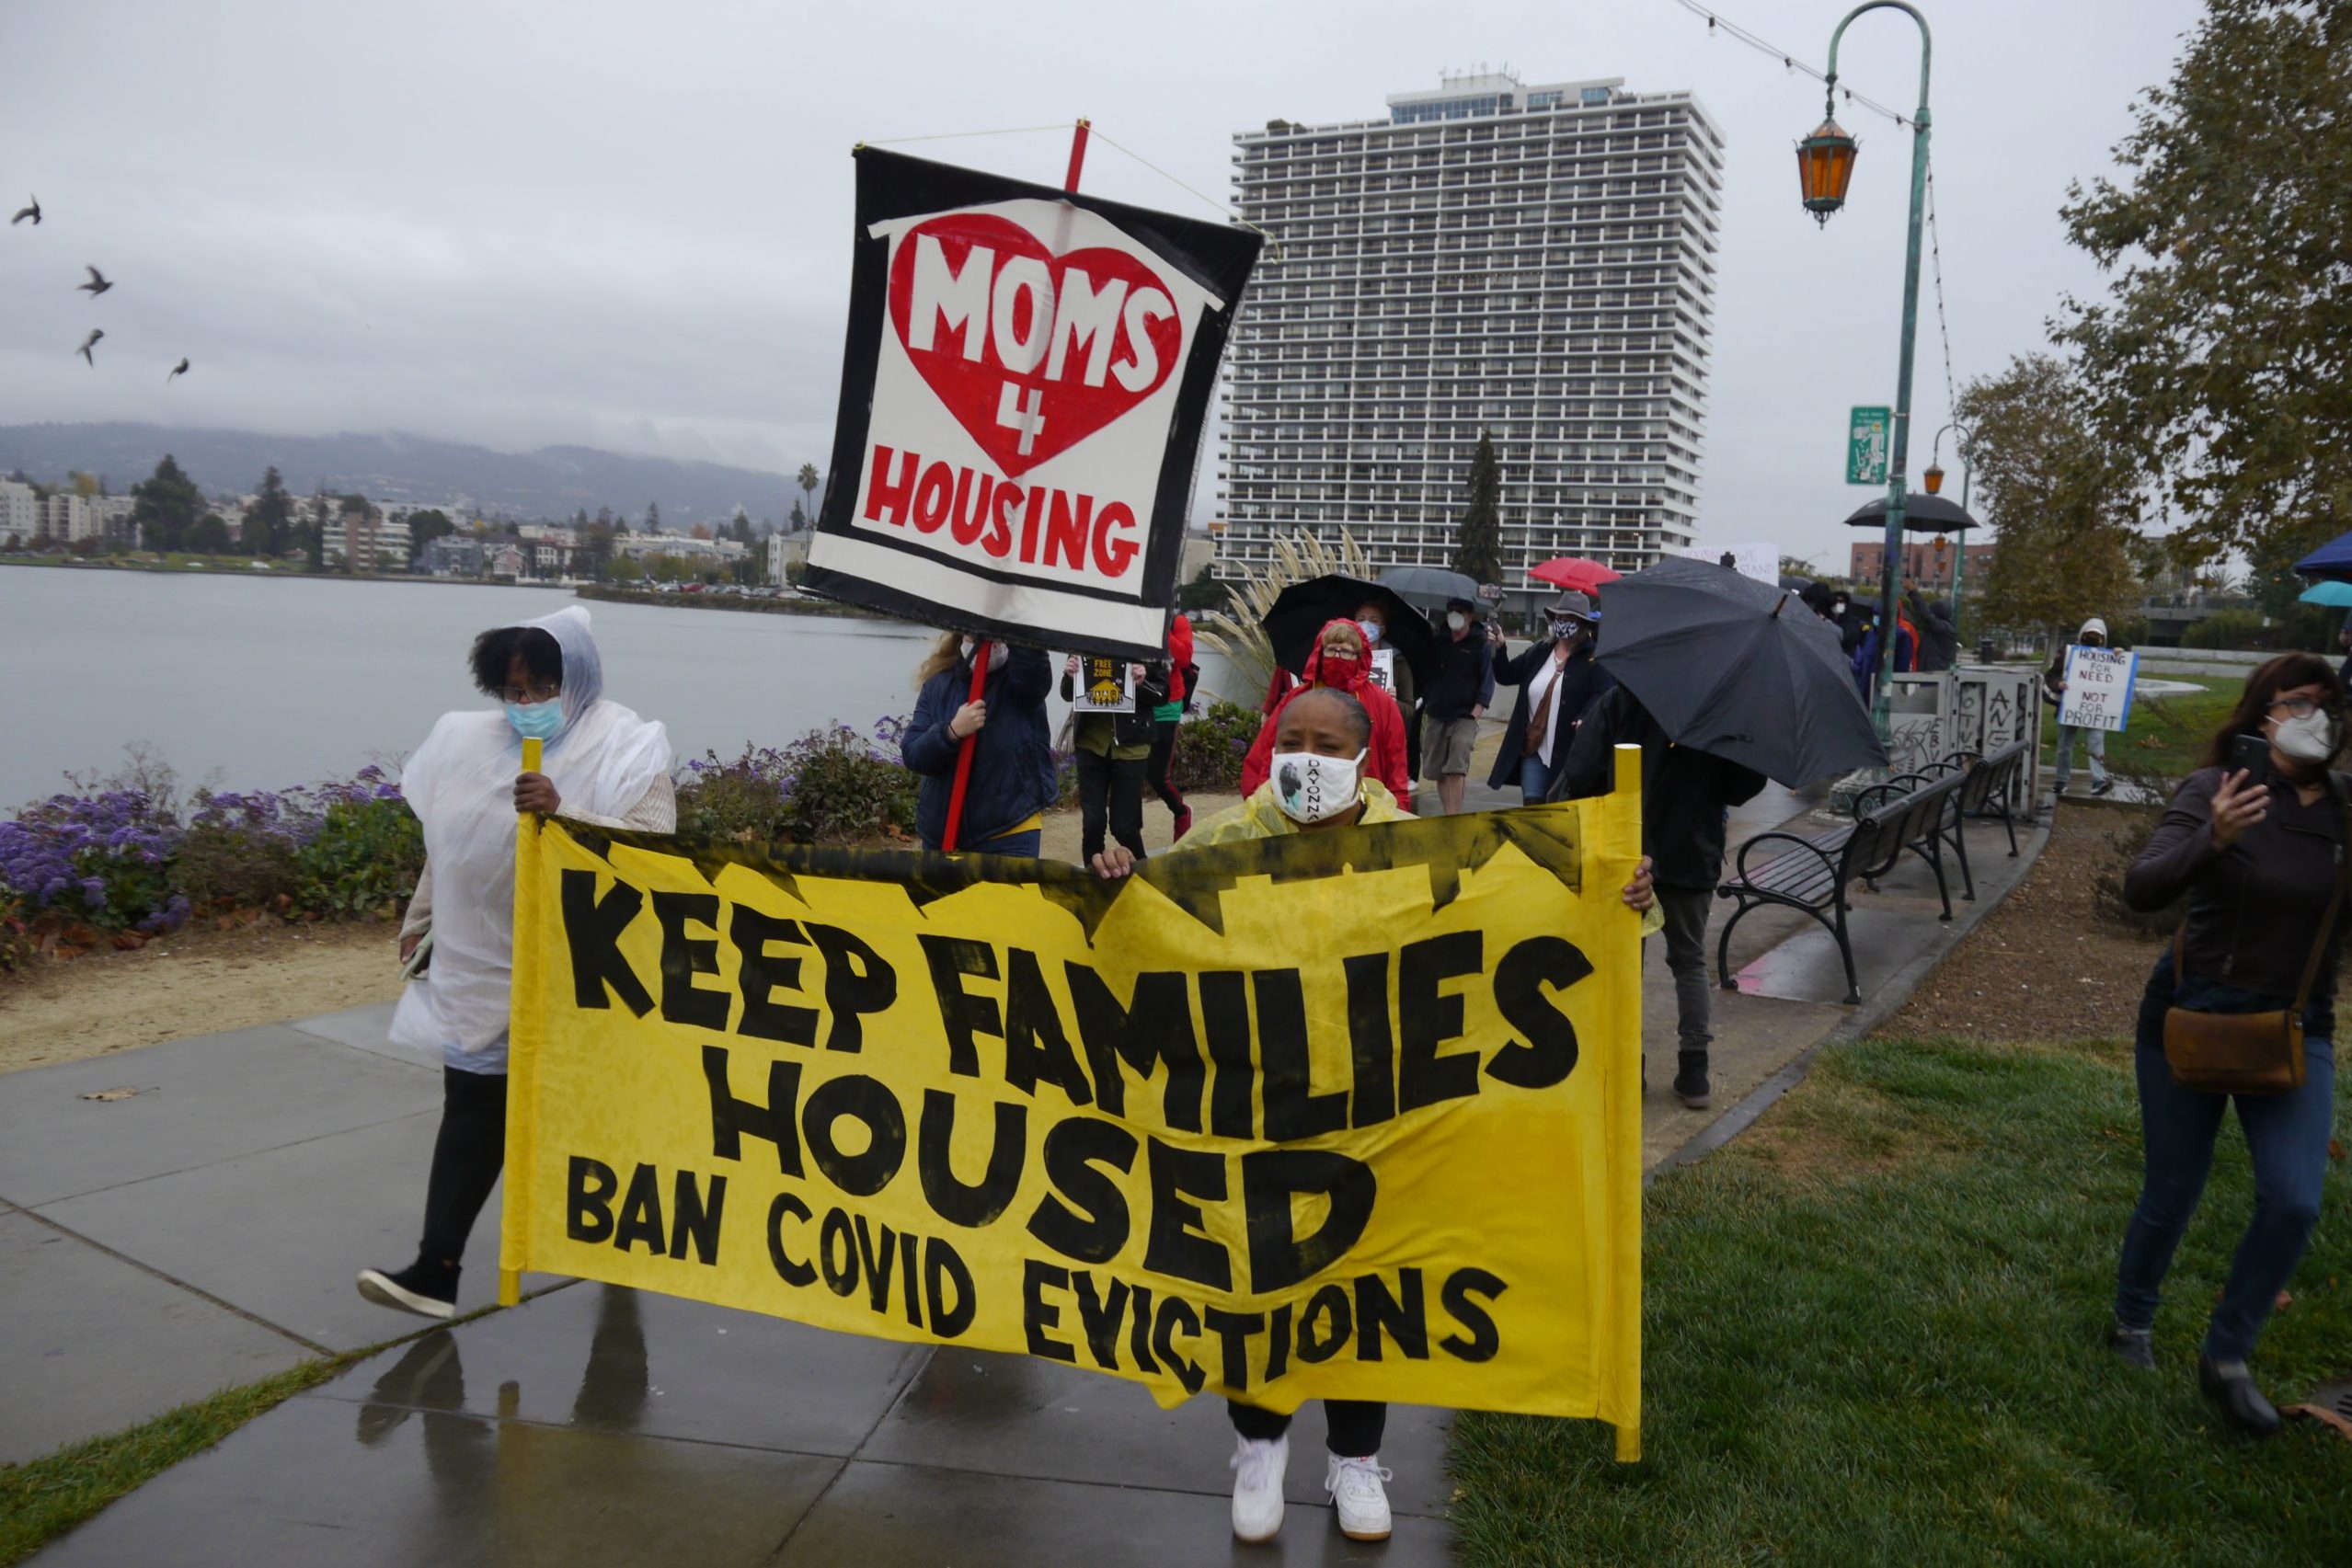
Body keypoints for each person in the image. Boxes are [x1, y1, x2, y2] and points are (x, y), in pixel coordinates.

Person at [1092, 683, 1658, 1543]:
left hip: (1379, 1109)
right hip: (1259, 1108)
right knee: (1259, 1280)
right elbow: (1142, 935)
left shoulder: (1416, 847)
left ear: (1362, 757)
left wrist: (1618, 898)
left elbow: (1528, 920)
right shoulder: (1225, 843)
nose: (1305, 757)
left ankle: (1356, 1460)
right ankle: (1259, 1446)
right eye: (1293, 739)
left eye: (1326, 742)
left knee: (1367, 1282)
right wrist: (1114, 889)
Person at [361, 607, 672, 1320]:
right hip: (481, 968)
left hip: (585, 973)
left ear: (577, 680)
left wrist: (565, 817)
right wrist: (422, 916)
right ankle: (435, 1268)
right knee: (471, 1110)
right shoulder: (467, 743)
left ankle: (617, 1256)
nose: (525, 707)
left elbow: (658, 852)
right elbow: (455, 838)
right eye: (513, 691)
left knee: (597, 1121)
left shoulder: (626, 745)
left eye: (539, 689)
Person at [2111, 654, 2347, 1435]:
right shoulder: (2216, 790)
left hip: (2292, 1029)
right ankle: (2131, 1321)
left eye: (2329, 703)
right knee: (2173, 1188)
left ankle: (2226, 1353)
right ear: (2261, 717)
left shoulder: (2345, 812)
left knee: (2293, 1197)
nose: (2318, 715)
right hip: (2190, 1017)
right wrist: (2211, 839)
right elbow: (2142, 888)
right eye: (2299, 702)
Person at [1555, 682, 1766, 1109]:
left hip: (1628, 850)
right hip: (1694, 851)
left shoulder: (1622, 698)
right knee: (1689, 961)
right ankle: (1695, 1072)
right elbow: (1741, 786)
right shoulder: (1721, 705)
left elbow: (1579, 773)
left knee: (1626, 964)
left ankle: (1630, 1069)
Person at [902, 634, 1056, 855]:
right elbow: (913, 754)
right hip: (942, 835)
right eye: (976, 633)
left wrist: (1012, 625)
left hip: (1008, 832)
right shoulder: (939, 685)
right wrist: (950, 732)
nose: (986, 641)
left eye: (996, 636)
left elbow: (1033, 669)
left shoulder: (1022, 683)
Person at [1241, 618, 1412, 809]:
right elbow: (1268, 749)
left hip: (1363, 807)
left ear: (1360, 657)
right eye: (1331, 650)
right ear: (1319, 654)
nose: (1337, 656)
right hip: (1302, 802)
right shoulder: (1296, 699)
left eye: (1346, 651)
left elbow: (1396, 761)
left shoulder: (1382, 703)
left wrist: (1398, 811)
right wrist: (1262, 801)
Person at [1488, 589, 1615, 803]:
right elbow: (1506, 674)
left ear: (1583, 624)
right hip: (1534, 751)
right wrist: (1500, 648)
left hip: (1570, 753)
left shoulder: (1594, 659)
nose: (1563, 623)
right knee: (1534, 811)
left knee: (1561, 811)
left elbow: (1603, 692)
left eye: (1570, 619)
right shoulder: (1540, 651)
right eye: (1560, 617)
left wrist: (1585, 715)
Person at [1061, 654, 1161, 866]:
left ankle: (1144, 878)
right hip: (1090, 745)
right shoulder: (1085, 638)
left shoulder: (1147, 640)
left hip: (1131, 747)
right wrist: (1070, 675)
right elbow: (1067, 694)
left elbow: (1162, 694)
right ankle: (1091, 881)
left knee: (1124, 826)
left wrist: (1142, 682)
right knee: (1092, 824)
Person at [1420, 596, 1496, 815]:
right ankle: (1448, 813)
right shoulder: (1438, 641)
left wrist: (1479, 708)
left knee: (1456, 768)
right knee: (1438, 770)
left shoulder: (1480, 643)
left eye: (1460, 611)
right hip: (1437, 712)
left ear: (1470, 616)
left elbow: (1487, 677)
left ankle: (1454, 815)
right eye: (1452, 610)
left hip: (1466, 715)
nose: (1455, 614)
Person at [2044, 616, 2116, 797]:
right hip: (2070, 707)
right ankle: (2061, 781)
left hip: (2096, 708)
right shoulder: (2067, 653)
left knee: (2096, 743)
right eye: (2089, 636)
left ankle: (2099, 780)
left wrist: (2119, 656)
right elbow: (2051, 675)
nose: (2092, 641)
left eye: (2096, 637)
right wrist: (2059, 683)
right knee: (2064, 747)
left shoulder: (2111, 657)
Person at [1356, 596, 1421, 783]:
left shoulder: (1398, 663)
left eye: (1373, 620)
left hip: (1383, 744)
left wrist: (1391, 703)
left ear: (1382, 629)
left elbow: (1409, 709)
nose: (1366, 624)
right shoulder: (1344, 656)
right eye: (1360, 619)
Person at [1144, 613, 1196, 841]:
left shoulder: (1177, 622)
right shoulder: (1134, 616)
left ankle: (1181, 812)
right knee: (1129, 772)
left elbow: (1183, 658)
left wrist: (1160, 626)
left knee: (1157, 776)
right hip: (1134, 704)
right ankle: (1130, 834)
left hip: (1166, 705)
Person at [1906, 585, 1959, 673]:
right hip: (1933, 671)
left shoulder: (1942, 627)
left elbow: (1925, 613)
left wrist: (1912, 592)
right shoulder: (1946, 628)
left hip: (1933, 673)